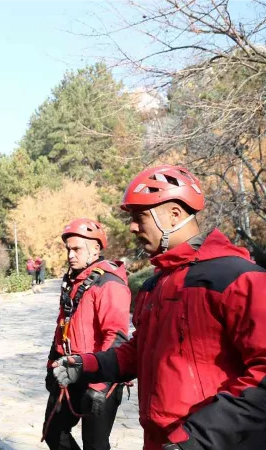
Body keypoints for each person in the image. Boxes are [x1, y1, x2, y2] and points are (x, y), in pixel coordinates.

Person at [53, 165, 266, 450]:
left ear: (174, 214)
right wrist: (89, 364)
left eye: (140, 217)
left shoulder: (238, 278)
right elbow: (140, 349)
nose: (132, 227)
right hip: (159, 440)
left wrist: (197, 438)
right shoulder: (157, 284)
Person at [42, 218, 131, 450]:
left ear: (96, 248)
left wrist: (100, 385)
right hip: (69, 371)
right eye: (68, 249)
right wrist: (52, 365)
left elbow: (116, 336)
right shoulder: (73, 281)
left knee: (95, 446)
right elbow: (63, 325)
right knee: (52, 433)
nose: (70, 255)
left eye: (77, 249)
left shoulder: (109, 283)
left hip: (98, 375)